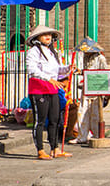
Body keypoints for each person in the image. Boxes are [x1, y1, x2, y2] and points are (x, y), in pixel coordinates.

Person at [26, 24, 74, 160]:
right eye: (44, 35)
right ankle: (40, 150)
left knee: (55, 119)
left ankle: (55, 148)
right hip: (38, 89)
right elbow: (32, 70)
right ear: (38, 37)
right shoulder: (33, 52)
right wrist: (49, 79)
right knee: (40, 121)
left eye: (49, 35)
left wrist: (69, 68)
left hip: (52, 89)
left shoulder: (53, 53)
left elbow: (57, 71)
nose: (48, 37)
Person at [70, 37, 108, 145]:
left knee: (95, 113)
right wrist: (80, 71)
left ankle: (97, 135)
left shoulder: (100, 58)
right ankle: (82, 136)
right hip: (86, 88)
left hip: (97, 88)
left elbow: (105, 73)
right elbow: (87, 71)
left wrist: (105, 92)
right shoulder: (85, 57)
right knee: (82, 111)